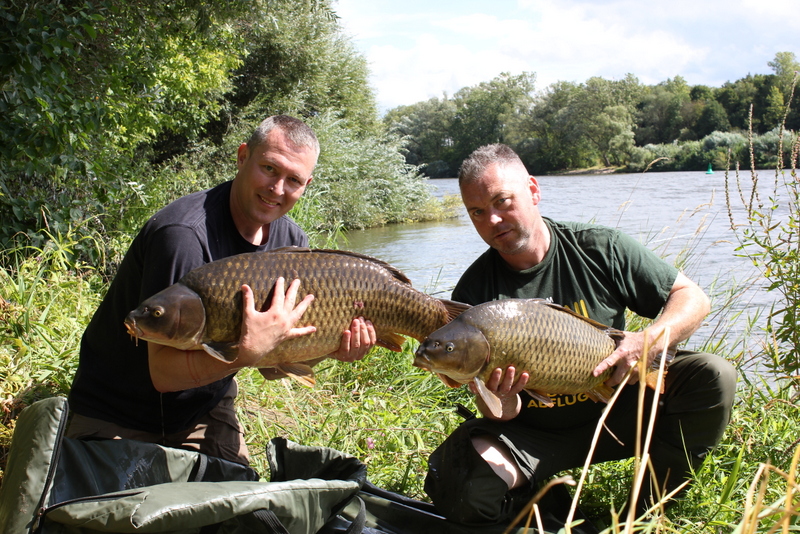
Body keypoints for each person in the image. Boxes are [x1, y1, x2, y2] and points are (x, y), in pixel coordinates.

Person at [424, 144, 737, 525]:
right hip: (537, 434)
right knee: (464, 489)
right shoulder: (472, 297)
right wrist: (502, 402)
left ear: (533, 190)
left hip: (618, 406)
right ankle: (544, 498)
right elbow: (502, 413)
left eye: (502, 201)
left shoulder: (599, 247)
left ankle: (647, 510)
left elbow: (692, 297)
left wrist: (645, 340)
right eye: (477, 212)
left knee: (713, 375)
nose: (492, 219)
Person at [67, 115, 377, 466]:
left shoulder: (291, 245)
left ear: (307, 184)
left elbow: (274, 363)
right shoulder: (183, 236)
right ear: (243, 156)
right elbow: (164, 375)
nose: (277, 189)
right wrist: (245, 353)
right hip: (116, 414)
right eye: (269, 169)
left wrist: (330, 347)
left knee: (242, 514)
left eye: (293, 180)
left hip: (204, 409)